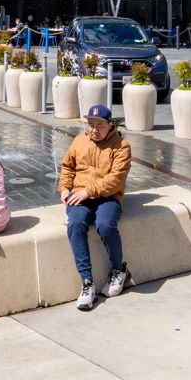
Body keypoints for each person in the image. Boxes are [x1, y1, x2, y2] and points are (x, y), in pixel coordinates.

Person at [59, 104, 133, 311]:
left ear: (110, 125)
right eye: (91, 124)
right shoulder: (79, 141)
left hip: (108, 197)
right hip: (80, 195)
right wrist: (64, 189)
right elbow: (67, 167)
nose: (94, 130)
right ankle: (87, 282)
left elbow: (116, 180)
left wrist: (88, 191)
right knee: (75, 225)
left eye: (99, 125)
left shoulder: (121, 146)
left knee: (105, 225)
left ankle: (119, 271)